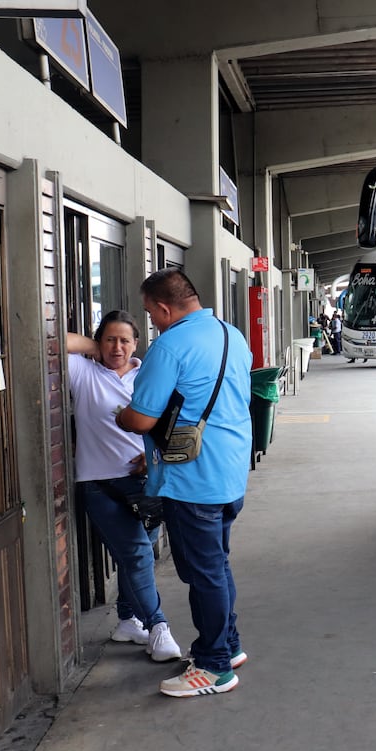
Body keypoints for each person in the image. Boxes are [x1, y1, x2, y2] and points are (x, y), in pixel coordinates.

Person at [114, 269, 252, 698]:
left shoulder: (170, 345)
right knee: (217, 565)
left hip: (193, 480)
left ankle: (213, 668)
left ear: (162, 308)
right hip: (229, 471)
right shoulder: (232, 335)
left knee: (204, 573)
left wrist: (120, 415)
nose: (152, 322)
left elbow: (141, 417)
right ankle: (226, 647)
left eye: (151, 313)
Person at [66, 311, 182, 663]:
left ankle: (128, 620)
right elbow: (49, 342)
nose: (117, 347)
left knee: (139, 556)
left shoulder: (147, 375)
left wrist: (153, 454)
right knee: (137, 555)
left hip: (147, 482)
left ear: (136, 344)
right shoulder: (84, 372)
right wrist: (92, 348)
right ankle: (158, 626)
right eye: (109, 339)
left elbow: (172, 420)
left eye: (124, 340)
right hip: (100, 484)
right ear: (99, 343)